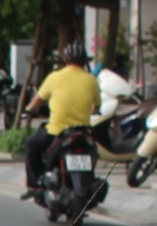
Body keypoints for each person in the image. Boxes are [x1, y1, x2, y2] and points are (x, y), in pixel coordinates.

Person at [24, 45, 100, 190]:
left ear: (65, 60)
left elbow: (37, 101)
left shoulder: (55, 77)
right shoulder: (91, 80)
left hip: (57, 132)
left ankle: (35, 183)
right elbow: (96, 107)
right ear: (84, 61)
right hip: (83, 133)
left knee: (32, 144)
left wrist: (28, 109)